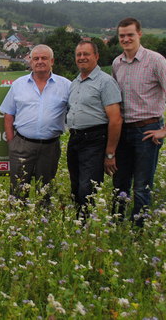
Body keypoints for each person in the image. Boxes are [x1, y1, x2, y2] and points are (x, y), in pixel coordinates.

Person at [111, 17, 166, 225]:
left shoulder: (155, 60)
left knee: (142, 185)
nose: (126, 39)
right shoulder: (117, 63)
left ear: (139, 34)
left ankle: (138, 231)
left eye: (130, 35)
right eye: (122, 36)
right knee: (119, 182)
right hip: (123, 131)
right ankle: (116, 227)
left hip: (147, 129)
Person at [0, 44, 71, 204]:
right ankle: (17, 223)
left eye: (44, 58)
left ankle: (42, 224)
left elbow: (75, 111)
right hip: (22, 145)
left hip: (50, 147)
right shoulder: (18, 84)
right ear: (30, 61)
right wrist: (12, 142)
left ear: (52, 61)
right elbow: (8, 114)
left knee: (45, 193)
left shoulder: (66, 85)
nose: (40, 61)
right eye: (36, 58)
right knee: (17, 191)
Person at [66, 40, 122, 218]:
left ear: (96, 56)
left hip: (94, 139)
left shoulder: (106, 82)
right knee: (75, 186)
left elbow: (115, 119)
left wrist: (110, 153)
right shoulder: (75, 83)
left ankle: (85, 227)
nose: (82, 58)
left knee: (87, 188)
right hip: (74, 139)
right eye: (79, 55)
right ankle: (77, 223)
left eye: (86, 54)